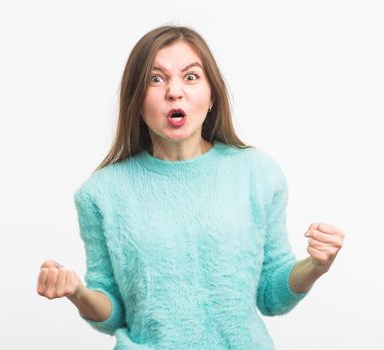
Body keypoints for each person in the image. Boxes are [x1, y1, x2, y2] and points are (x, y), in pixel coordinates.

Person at [36, 25, 345, 349]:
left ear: (212, 95)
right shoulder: (100, 194)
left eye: (191, 77)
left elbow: (271, 294)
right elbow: (112, 312)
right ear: (136, 101)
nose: (174, 91)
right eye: (156, 79)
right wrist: (77, 292)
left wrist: (316, 265)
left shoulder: (258, 174)